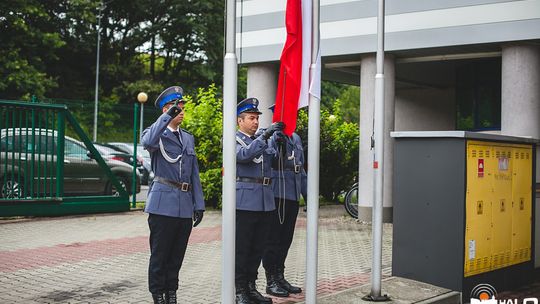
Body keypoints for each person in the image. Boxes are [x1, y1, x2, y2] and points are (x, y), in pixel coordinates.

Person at [141, 86, 205, 304]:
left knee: (177, 255)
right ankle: (158, 294)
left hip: (184, 205)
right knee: (160, 255)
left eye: (182, 107)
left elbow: (194, 173)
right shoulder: (155, 134)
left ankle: (171, 293)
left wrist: (199, 204)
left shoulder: (188, 138)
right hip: (162, 204)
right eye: (177, 108)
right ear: (166, 110)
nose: (181, 111)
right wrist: (166, 117)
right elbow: (147, 143)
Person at [234, 97, 285, 304]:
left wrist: (280, 143)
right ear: (240, 121)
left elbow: (274, 161)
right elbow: (244, 156)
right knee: (243, 248)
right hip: (245, 201)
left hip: (264, 199)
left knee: (257, 248)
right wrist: (264, 136)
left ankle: (251, 287)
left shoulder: (261, 140)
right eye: (251, 118)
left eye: (257, 118)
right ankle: (239, 291)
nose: (255, 122)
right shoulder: (234, 140)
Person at [262, 104, 307, 297]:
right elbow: (268, 162)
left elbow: (301, 169)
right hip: (276, 194)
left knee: (286, 239)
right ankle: (270, 280)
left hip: (292, 194)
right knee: (273, 239)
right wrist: (275, 142)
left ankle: (280, 276)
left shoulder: (295, 137)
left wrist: (309, 196)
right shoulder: (270, 136)